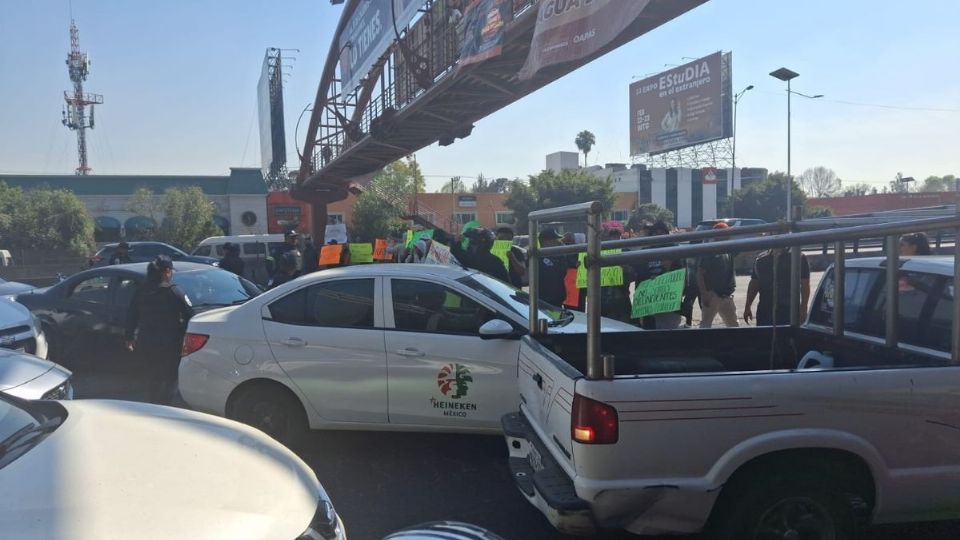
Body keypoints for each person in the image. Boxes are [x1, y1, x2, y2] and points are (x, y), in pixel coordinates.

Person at [125, 255, 194, 405]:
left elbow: (131, 315)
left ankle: (154, 405)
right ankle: (166, 406)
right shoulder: (174, 292)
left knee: (153, 377)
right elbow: (191, 315)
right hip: (170, 343)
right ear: (166, 271)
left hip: (147, 342)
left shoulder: (141, 291)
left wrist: (129, 337)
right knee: (170, 377)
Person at [632, 221, 683, 329]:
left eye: (661, 232)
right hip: (649, 301)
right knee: (649, 331)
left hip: (668, 302)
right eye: (655, 233)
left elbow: (681, 276)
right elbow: (639, 276)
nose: (658, 235)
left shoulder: (675, 251)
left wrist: (669, 267)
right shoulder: (644, 252)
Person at [743, 248, 810, 326]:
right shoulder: (760, 259)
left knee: (788, 336)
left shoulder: (798, 258)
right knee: (764, 336)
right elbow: (754, 284)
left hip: (789, 309)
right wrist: (747, 306)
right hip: (765, 309)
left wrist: (804, 308)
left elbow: (805, 284)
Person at [697, 222, 739, 328]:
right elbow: (700, 274)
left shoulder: (729, 249)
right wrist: (704, 294)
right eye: (726, 232)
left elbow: (747, 251)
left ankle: (737, 344)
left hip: (726, 295)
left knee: (734, 325)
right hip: (712, 294)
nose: (729, 235)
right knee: (705, 325)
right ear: (719, 235)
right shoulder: (710, 250)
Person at [537, 228, 569, 307]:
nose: (557, 242)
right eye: (555, 240)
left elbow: (562, 272)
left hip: (557, 299)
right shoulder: (537, 257)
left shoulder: (557, 256)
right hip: (543, 299)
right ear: (546, 241)